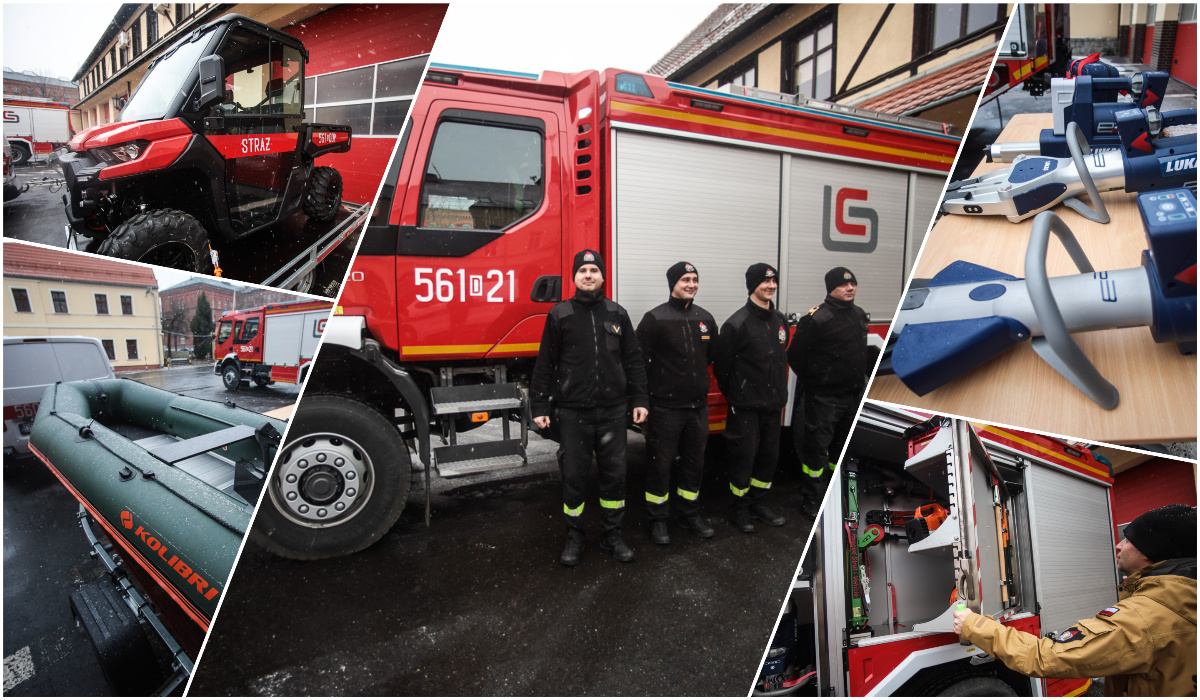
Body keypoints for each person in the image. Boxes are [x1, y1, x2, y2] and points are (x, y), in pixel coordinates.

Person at [953, 504, 1197, 696]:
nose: (1118, 545)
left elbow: (1045, 657)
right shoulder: (1185, 596)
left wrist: (973, 626)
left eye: (1128, 539)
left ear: (1150, 551)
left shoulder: (1145, 619)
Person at [531, 249, 649, 566]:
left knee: (615, 478)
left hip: (612, 412)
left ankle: (613, 537)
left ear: (602, 277)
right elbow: (545, 364)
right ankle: (575, 538)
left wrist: (639, 399)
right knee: (574, 478)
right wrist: (539, 404)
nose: (588, 275)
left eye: (593, 271)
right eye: (582, 271)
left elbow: (634, 361)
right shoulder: (560, 314)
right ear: (574, 277)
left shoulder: (617, 314)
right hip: (573, 413)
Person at [636, 261, 718, 545]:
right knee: (661, 466)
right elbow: (639, 364)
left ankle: (690, 515)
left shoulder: (705, 318)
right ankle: (658, 520)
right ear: (673, 283)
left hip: (697, 409)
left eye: (695, 279)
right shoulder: (655, 319)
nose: (691, 284)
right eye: (685, 279)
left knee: (695, 465)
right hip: (665, 409)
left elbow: (709, 358)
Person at [787, 267, 876, 514]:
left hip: (853, 396)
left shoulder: (858, 314)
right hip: (825, 399)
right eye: (844, 285)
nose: (850, 288)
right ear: (831, 289)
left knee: (842, 450)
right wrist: (818, 381)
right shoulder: (816, 318)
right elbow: (795, 357)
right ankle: (811, 498)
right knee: (816, 453)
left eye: (853, 284)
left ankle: (833, 495)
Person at [713, 263, 790, 534]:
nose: (770, 286)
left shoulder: (780, 321)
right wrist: (738, 395)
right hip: (745, 407)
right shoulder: (736, 323)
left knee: (768, 458)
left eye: (773, 281)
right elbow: (722, 368)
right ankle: (739, 509)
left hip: (772, 406)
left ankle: (758, 503)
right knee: (743, 458)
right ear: (752, 286)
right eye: (764, 282)